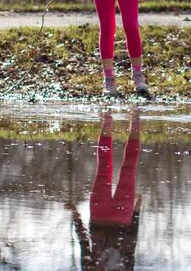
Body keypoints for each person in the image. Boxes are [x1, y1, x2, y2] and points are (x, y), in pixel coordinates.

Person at [66, 110, 142, 270]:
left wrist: (136, 212)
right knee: (104, 167)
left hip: (121, 218)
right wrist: (75, 215)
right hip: (100, 216)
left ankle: (135, 119)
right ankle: (108, 119)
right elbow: (84, 242)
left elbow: (130, 245)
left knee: (129, 167)